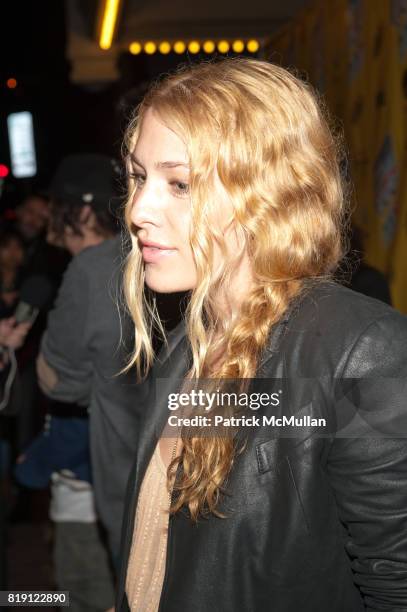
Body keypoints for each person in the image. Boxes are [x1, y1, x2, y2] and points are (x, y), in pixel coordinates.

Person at [116, 58, 407, 612]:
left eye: (180, 184)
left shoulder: (363, 351)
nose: (138, 209)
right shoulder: (189, 345)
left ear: (268, 195)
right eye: (137, 176)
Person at [36, 154, 150, 572]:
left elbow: (59, 380)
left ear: (81, 211)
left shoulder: (90, 268)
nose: (51, 230)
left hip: (129, 487)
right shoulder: (162, 254)